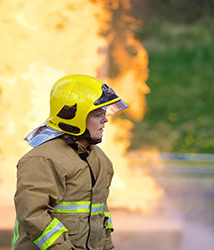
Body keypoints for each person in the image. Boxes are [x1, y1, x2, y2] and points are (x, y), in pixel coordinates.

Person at [12, 74, 128, 250]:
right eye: (97, 114)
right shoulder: (42, 160)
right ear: (74, 116)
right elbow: (33, 216)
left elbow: (100, 215)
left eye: (104, 114)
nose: (105, 120)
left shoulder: (100, 159)